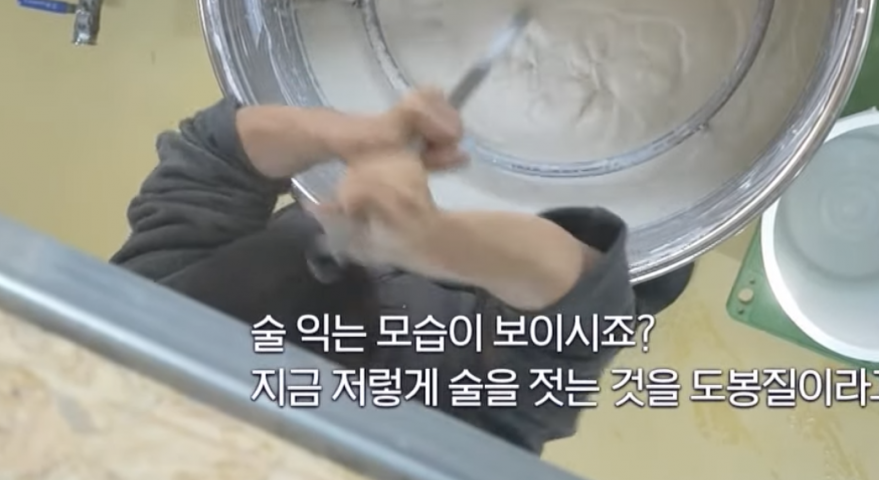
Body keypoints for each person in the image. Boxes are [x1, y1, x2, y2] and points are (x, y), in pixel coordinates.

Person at [110, 91, 691, 455]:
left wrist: (345, 135)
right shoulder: (439, 460)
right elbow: (576, 313)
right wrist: (436, 243)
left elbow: (213, 160)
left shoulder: (134, 336)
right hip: (590, 221)